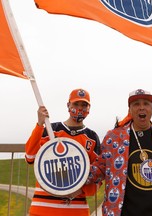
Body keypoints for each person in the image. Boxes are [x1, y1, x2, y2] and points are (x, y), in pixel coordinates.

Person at [25, 88, 101, 216]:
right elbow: (30, 157)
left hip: (76, 210)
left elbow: (97, 175)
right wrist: (39, 124)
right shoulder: (51, 130)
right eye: (76, 104)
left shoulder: (92, 137)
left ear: (89, 108)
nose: (80, 108)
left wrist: (80, 190)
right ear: (68, 105)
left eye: (84, 105)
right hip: (42, 209)